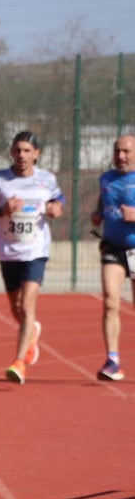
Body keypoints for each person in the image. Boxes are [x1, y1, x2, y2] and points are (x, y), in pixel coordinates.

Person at [0, 130, 65, 385]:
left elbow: (59, 199)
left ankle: (19, 362)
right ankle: (32, 330)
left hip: (36, 251)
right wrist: (2, 210)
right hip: (7, 250)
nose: (21, 155)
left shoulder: (46, 179)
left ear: (37, 154)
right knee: (16, 309)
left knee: (27, 306)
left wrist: (56, 208)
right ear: (11, 152)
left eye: (26, 150)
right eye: (17, 150)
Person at [91, 134, 135, 382]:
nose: (121, 156)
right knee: (110, 300)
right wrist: (98, 214)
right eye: (117, 151)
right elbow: (103, 202)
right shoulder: (106, 179)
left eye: (126, 152)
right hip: (114, 247)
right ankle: (112, 360)